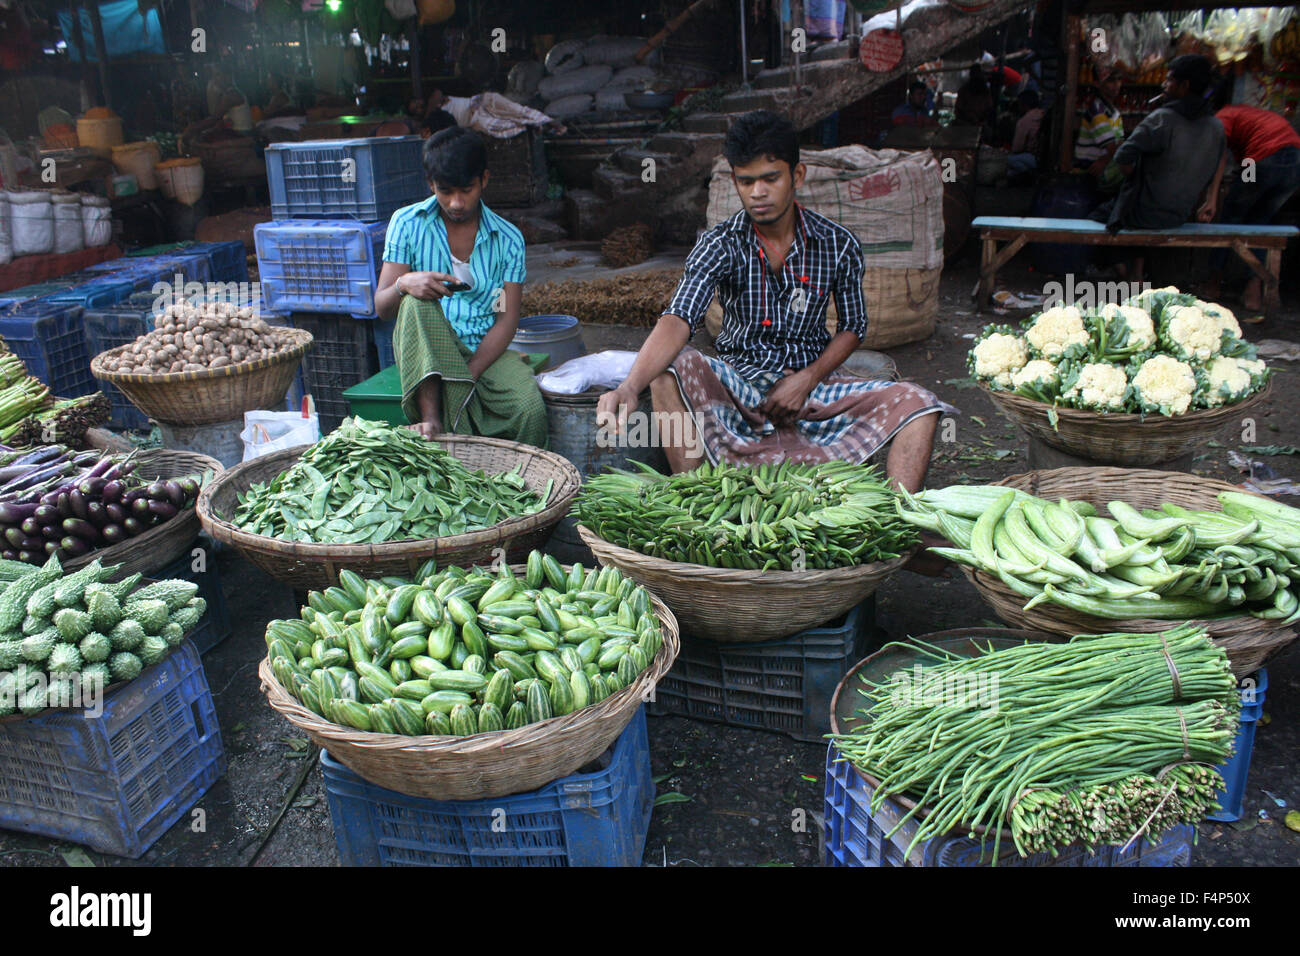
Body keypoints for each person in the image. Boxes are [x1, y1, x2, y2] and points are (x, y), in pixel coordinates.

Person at [595, 111, 944, 492]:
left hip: (816, 389)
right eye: (746, 181)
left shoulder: (837, 243)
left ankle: (894, 519)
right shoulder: (719, 244)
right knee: (668, 370)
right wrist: (629, 386)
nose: (758, 192)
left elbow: (852, 327)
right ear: (735, 182)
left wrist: (806, 379)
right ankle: (694, 500)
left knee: (919, 404)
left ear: (796, 176)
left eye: (770, 178)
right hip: (738, 387)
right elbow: (678, 318)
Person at [374, 127, 547, 447]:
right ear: (430, 184)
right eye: (445, 191)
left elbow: (505, 319)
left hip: (484, 348)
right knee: (415, 300)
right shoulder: (407, 223)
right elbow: (383, 309)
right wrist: (404, 282)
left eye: (466, 190)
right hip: (427, 350)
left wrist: (470, 373)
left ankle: (525, 488)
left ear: (484, 179)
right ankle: (431, 417)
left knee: (529, 410)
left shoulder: (507, 239)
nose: (455, 202)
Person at [1096, 54, 1225, 280]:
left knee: (1098, 215)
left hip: (1146, 215)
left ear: (1184, 86)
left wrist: (1136, 177)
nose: (1164, 85)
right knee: (1135, 209)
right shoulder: (1216, 125)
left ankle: (1125, 273)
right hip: (1180, 215)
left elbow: (1123, 157)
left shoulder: (1162, 119)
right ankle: (1136, 272)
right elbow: (1218, 161)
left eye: (1169, 80)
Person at [1198, 101, 1300, 311]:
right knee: (1261, 224)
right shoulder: (1253, 115)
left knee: (1230, 218)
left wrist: (1212, 197)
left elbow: (1220, 158)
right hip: (1295, 166)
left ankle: (1213, 283)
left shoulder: (1222, 117)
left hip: (1258, 160)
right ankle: (1253, 291)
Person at [1074, 65, 1127, 192]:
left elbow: (1120, 144)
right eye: (1111, 81)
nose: (1117, 84)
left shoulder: (1114, 112)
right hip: (1090, 170)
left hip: (1105, 164)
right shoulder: (1097, 111)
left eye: (1119, 80)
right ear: (1097, 84)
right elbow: (1114, 148)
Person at [1007, 89, 1045, 180]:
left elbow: (1017, 148)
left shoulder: (1024, 120)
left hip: (1034, 158)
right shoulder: (1043, 113)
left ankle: (1028, 173)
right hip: (1042, 158)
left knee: (1006, 160)